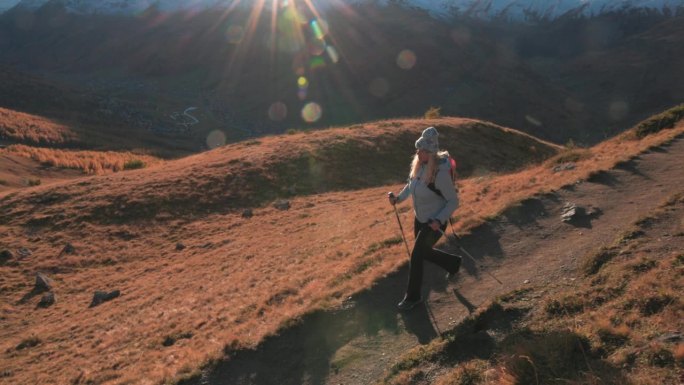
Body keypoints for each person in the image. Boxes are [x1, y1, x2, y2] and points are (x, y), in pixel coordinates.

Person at [388, 126, 462, 310]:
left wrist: (439, 220)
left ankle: (412, 297)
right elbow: (410, 186)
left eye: (421, 150)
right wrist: (398, 198)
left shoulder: (440, 173)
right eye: (418, 149)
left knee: (416, 256)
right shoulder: (419, 166)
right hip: (420, 219)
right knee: (424, 252)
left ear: (430, 152)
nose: (418, 152)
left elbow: (453, 201)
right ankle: (453, 263)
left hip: (434, 223)